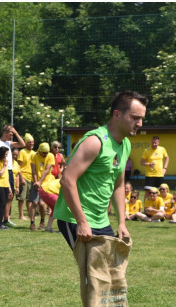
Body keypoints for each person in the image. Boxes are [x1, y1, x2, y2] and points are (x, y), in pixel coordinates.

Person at [54, 89, 146, 246]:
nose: (140, 124)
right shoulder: (95, 141)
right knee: (95, 270)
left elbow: (118, 185)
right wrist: (81, 222)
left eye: (142, 118)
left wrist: (121, 223)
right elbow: (67, 179)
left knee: (110, 268)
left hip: (101, 220)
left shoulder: (125, 144)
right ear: (117, 114)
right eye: (135, 118)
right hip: (75, 218)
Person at [0, 125, 26, 227]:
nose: (12, 136)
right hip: (1, 172)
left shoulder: (8, 143)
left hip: (9, 172)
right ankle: (0, 220)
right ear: (5, 133)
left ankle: (6, 218)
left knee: (10, 196)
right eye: (11, 134)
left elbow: (22, 144)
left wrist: (16, 132)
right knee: (2, 199)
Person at [30, 142, 55, 231]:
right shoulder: (34, 156)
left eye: (47, 152)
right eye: (44, 153)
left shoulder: (51, 156)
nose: (46, 154)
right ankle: (32, 222)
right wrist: (36, 182)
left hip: (47, 183)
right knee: (34, 203)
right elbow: (33, 170)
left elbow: (46, 170)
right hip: (35, 181)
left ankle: (42, 221)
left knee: (42, 203)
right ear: (40, 150)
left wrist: (40, 182)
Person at [16, 133, 35, 221]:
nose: (31, 144)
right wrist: (21, 178)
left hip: (32, 178)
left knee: (29, 199)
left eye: (32, 142)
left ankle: (30, 214)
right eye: (29, 142)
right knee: (22, 198)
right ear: (26, 143)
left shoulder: (34, 153)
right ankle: (21, 215)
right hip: (24, 176)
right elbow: (18, 165)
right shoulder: (22, 152)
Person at [0, 146, 12, 230]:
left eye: (7, 155)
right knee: (2, 203)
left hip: (5, 185)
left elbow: (6, 176)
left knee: (4, 203)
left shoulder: (4, 161)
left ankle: (1, 223)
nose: (6, 156)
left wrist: (9, 187)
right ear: (1, 154)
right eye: (5, 154)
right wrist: (4, 166)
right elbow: (0, 173)